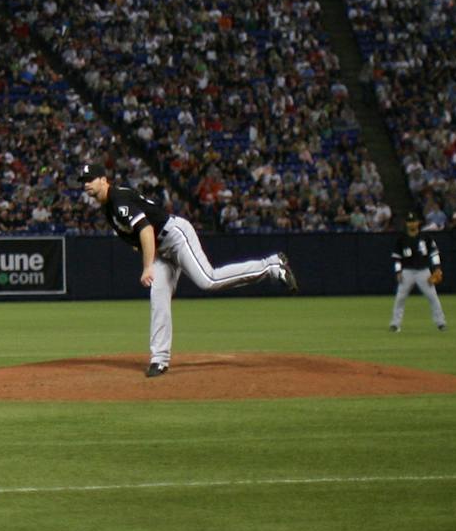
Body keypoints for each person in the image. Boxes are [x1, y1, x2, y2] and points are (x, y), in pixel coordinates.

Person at [80, 162, 295, 378]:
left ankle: (271, 265)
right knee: (159, 296)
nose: (86, 184)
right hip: (160, 249)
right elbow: (137, 239)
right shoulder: (109, 209)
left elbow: (145, 229)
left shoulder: (118, 198)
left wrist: (147, 267)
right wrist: (152, 260)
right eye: (83, 181)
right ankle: (159, 360)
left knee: (207, 279)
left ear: (103, 179)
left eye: (90, 179)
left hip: (175, 236)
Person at [390, 216, 447, 332]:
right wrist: (398, 271)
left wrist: (437, 268)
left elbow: (434, 254)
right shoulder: (402, 239)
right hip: (407, 272)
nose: (412, 224)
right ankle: (395, 324)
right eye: (409, 221)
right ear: (406, 224)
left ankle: (441, 323)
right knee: (400, 298)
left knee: (433, 297)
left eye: (414, 221)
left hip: (423, 271)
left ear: (418, 222)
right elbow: (397, 258)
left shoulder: (426, 237)